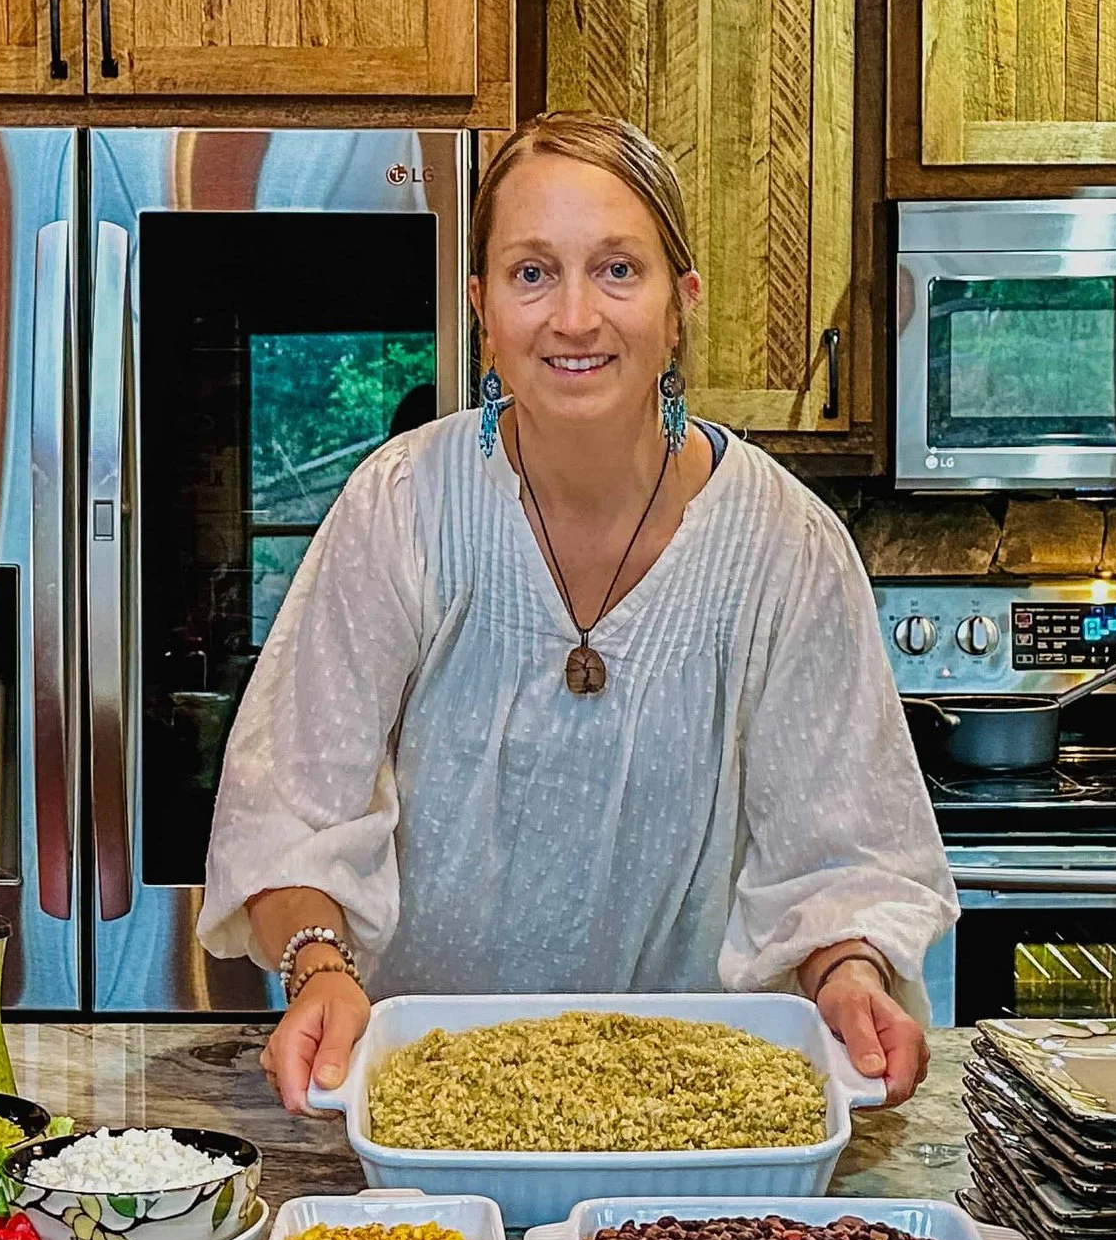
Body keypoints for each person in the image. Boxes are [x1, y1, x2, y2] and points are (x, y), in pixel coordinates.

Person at [199, 110, 956, 1113]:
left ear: (679, 303)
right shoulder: (401, 508)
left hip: (706, 1111)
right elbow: (291, 806)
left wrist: (850, 975)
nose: (572, 317)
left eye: (616, 269)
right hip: (427, 1097)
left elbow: (842, 858)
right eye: (529, 271)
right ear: (480, 306)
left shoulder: (786, 546)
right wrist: (319, 968)